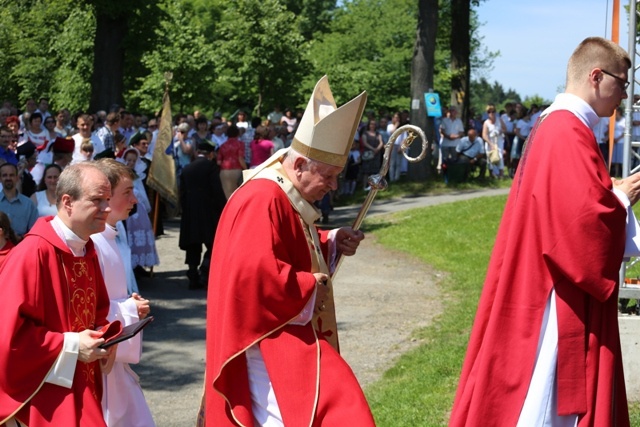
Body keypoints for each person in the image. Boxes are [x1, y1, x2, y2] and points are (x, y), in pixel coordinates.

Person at [450, 37, 639, 426]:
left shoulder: (555, 124)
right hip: (555, 290)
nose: (624, 95)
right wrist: (620, 198)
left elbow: (569, 201)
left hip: (540, 273)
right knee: (542, 398)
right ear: (596, 76)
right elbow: (578, 224)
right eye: (621, 83)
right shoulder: (567, 130)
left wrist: (607, 193)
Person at [202, 76, 374, 426]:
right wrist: (314, 283)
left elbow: (290, 244)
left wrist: (331, 241)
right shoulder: (263, 199)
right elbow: (255, 279)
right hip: (263, 341)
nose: (334, 186)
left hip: (279, 333)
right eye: (328, 176)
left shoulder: (284, 194)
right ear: (298, 166)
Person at [0, 162, 114, 426]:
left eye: (108, 199)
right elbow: (8, 336)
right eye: (97, 200)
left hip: (82, 384)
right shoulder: (33, 253)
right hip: (45, 396)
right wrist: (71, 345)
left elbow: (97, 312)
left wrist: (106, 335)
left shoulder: (85, 248)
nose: (107, 208)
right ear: (68, 201)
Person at [92, 159, 155, 427]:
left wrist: (130, 301)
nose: (135, 198)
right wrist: (129, 309)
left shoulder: (115, 233)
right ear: (106, 196)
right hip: (105, 353)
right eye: (127, 192)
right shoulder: (94, 241)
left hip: (117, 354)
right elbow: (93, 305)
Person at [179, 141, 226, 289]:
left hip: (190, 212)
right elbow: (217, 191)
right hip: (208, 211)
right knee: (214, 242)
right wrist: (224, 209)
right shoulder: (211, 167)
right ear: (211, 154)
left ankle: (192, 274)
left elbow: (182, 193)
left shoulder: (186, 168)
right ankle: (205, 270)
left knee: (193, 244)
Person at [0, 162, 38, 239]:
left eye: (11, 175)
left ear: (17, 178)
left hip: (21, 247)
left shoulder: (29, 204)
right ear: (0, 179)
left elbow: (34, 232)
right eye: (4, 175)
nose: (8, 178)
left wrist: (21, 239)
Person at [216, 124, 247, 199]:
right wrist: (246, 169)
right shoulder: (240, 144)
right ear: (237, 133)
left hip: (224, 172)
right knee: (238, 195)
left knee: (228, 197)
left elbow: (218, 162)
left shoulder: (223, 145)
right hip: (237, 170)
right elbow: (240, 159)